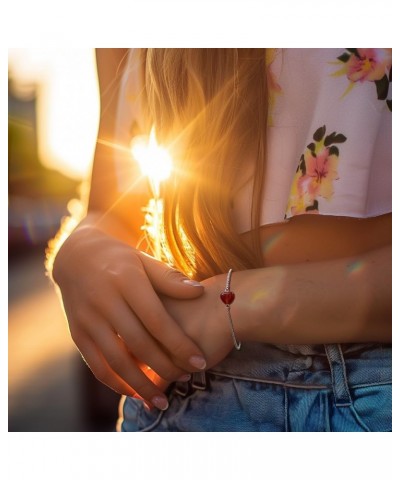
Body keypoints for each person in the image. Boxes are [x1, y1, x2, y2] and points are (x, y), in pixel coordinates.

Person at [47, 48, 392, 431]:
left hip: (376, 389)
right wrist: (81, 249)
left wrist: (232, 306)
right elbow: (115, 207)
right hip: (179, 396)